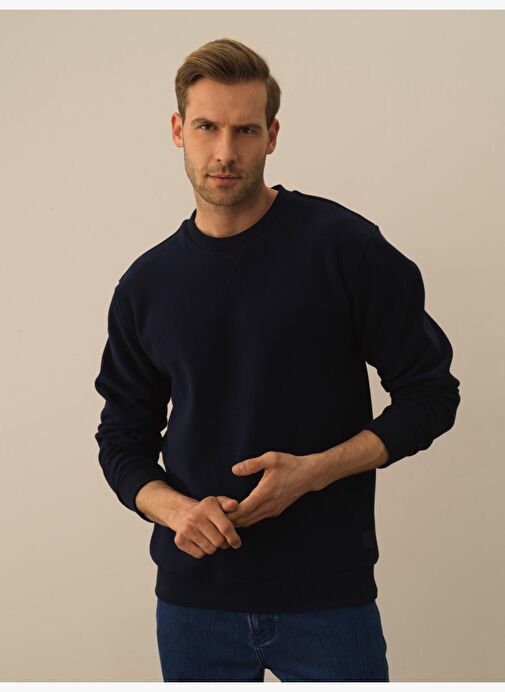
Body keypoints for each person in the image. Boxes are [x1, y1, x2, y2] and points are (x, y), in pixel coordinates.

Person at [93, 37, 461, 683]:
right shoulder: (146, 285)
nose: (225, 152)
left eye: (245, 130)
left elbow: (431, 394)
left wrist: (313, 472)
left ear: (272, 135)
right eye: (206, 127)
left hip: (328, 598)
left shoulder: (344, 248)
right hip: (193, 602)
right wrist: (176, 511)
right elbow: (122, 438)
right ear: (178, 130)